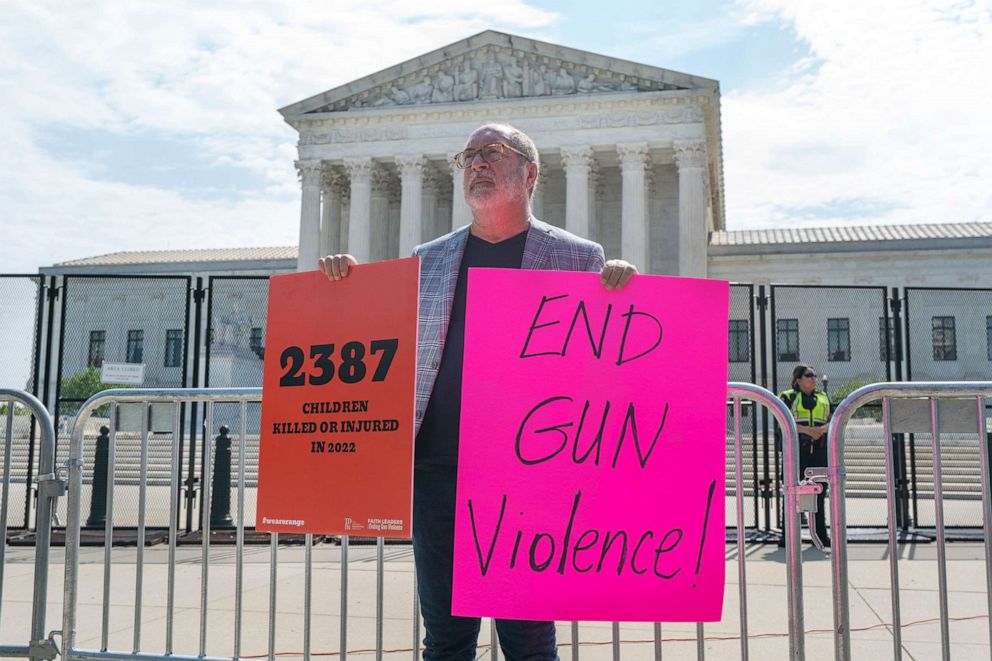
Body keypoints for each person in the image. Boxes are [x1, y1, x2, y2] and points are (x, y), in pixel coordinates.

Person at [319, 123, 637, 660]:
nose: (476, 164)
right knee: (445, 639)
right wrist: (347, 285)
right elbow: (377, 335)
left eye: (491, 152)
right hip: (439, 471)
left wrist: (623, 289)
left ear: (530, 173)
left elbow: (602, 365)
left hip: (526, 474)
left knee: (529, 639)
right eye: (468, 156)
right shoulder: (429, 257)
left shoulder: (578, 257)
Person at [779, 364, 831, 546]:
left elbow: (832, 420)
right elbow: (783, 422)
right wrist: (809, 431)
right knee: (792, 493)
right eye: (809, 375)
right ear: (798, 380)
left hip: (819, 450)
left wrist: (821, 431)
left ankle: (821, 536)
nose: (813, 378)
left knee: (819, 492)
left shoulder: (823, 397)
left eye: (815, 375)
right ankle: (788, 538)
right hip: (796, 451)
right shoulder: (787, 397)